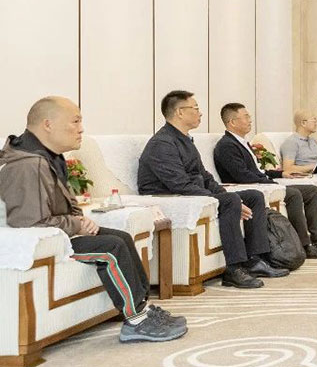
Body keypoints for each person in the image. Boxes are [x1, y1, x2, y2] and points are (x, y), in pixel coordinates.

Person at [0, 97, 186, 342]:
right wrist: (76, 224)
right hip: (43, 242)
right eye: (75, 121)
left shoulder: (47, 156)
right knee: (111, 247)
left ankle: (142, 308)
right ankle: (136, 321)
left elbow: (64, 203)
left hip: (59, 232)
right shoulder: (27, 165)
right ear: (48, 124)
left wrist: (79, 220)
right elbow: (29, 222)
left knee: (121, 237)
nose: (81, 129)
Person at [138, 91, 288, 289]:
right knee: (231, 201)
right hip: (171, 197)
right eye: (196, 108)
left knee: (253, 196)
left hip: (192, 193)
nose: (200, 113)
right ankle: (233, 269)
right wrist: (223, 199)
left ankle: (254, 260)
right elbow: (179, 185)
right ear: (180, 112)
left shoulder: (185, 139)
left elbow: (205, 177)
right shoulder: (162, 143)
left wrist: (224, 194)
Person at [213, 103, 317, 260]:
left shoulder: (242, 142)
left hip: (259, 182)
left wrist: (282, 173)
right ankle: (304, 246)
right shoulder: (227, 145)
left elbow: (258, 171)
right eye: (246, 117)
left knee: (311, 190)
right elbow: (242, 176)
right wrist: (271, 182)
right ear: (232, 122)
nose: (250, 120)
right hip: (246, 186)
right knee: (293, 194)